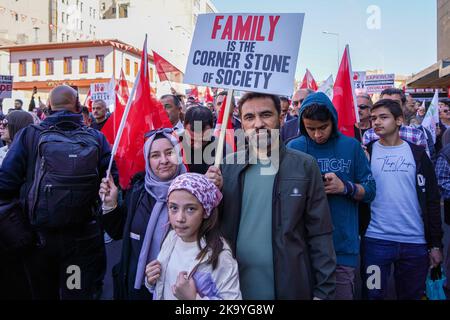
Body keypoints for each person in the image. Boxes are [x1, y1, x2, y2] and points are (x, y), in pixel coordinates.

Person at [207, 92, 336, 300]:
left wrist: (323, 292)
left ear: (280, 118)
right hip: (233, 288)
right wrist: (208, 194)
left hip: (290, 287)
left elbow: (320, 233)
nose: (258, 123)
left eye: (266, 115)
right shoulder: (226, 166)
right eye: (249, 117)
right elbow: (210, 226)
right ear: (242, 123)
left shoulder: (305, 166)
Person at [0, 85, 114, 299]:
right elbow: (111, 181)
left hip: (38, 241)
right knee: (76, 292)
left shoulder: (29, 136)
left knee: (44, 294)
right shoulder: (96, 138)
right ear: (78, 106)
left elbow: (5, 184)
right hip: (81, 241)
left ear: (49, 106)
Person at [287, 92, 376, 300]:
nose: (317, 135)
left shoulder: (351, 146)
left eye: (323, 128)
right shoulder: (293, 147)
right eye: (311, 129)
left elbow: (371, 190)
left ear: (333, 122)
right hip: (303, 246)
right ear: (302, 124)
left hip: (342, 246)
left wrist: (345, 187)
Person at [362, 99, 443, 300]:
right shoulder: (366, 153)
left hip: (414, 244)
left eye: (383, 117)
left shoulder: (417, 154)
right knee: (373, 295)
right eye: (373, 118)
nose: (376, 122)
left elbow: (432, 201)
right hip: (375, 242)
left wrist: (435, 244)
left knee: (411, 296)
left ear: (399, 120)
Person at [99, 128, 187, 300]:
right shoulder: (138, 191)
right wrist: (111, 204)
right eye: (155, 155)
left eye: (169, 152)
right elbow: (118, 231)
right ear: (147, 160)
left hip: (179, 289)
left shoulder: (194, 191)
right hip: (138, 286)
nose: (164, 160)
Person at [145, 173, 241, 300]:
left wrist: (193, 298)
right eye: (173, 208)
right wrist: (151, 281)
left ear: (206, 211)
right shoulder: (171, 238)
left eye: (190, 209)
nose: (180, 218)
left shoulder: (220, 256)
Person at [0, 110, 34, 300]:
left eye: (6, 123)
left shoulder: (29, 156)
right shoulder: (2, 152)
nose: (1, 126)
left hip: (18, 226)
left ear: (18, 127)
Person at [181, 106, 230, 174]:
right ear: (184, 126)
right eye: (192, 140)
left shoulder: (223, 149)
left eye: (202, 140)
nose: (197, 146)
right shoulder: (172, 144)